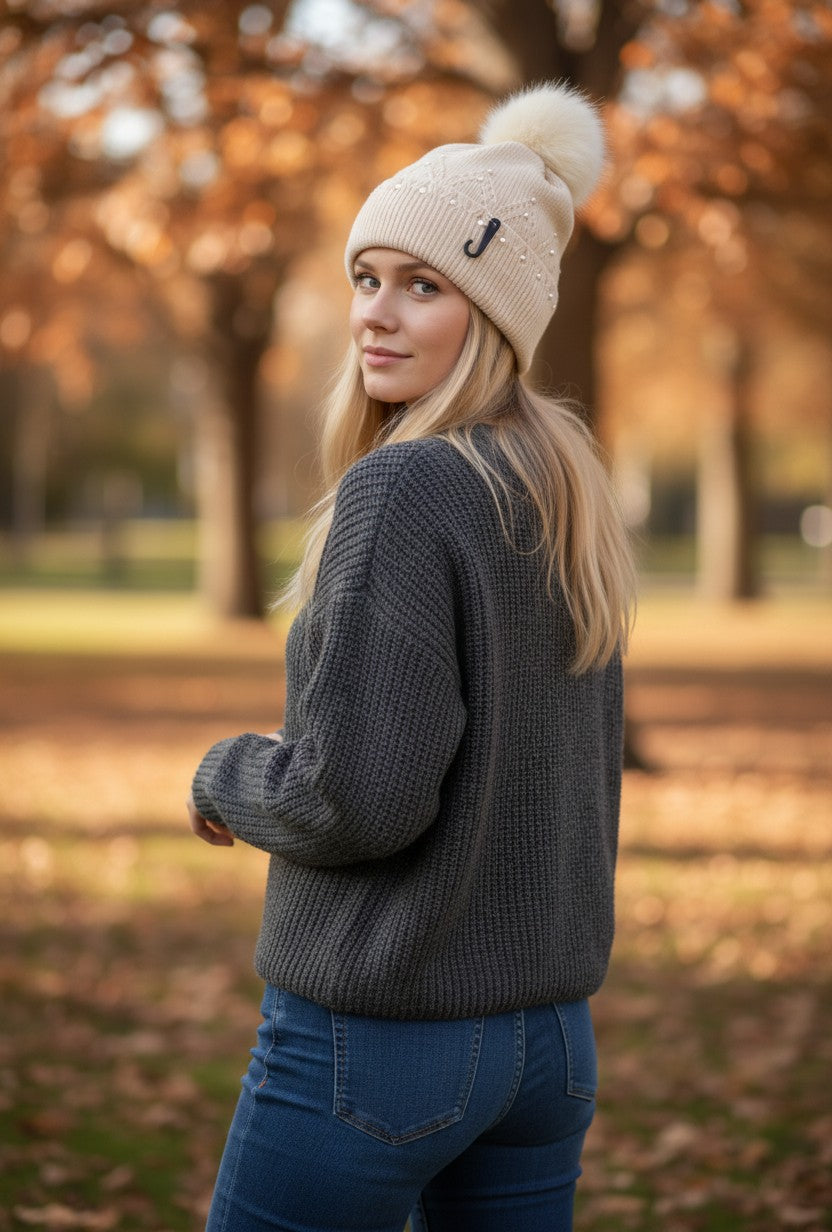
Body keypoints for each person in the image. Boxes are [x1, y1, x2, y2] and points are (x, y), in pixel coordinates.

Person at [187, 80, 636, 1232]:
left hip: (382, 1043)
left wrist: (227, 773)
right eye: (367, 278)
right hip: (549, 1048)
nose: (376, 314)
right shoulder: (560, 487)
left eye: (423, 286)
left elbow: (357, 800)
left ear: (493, 314)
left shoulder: (405, 487)